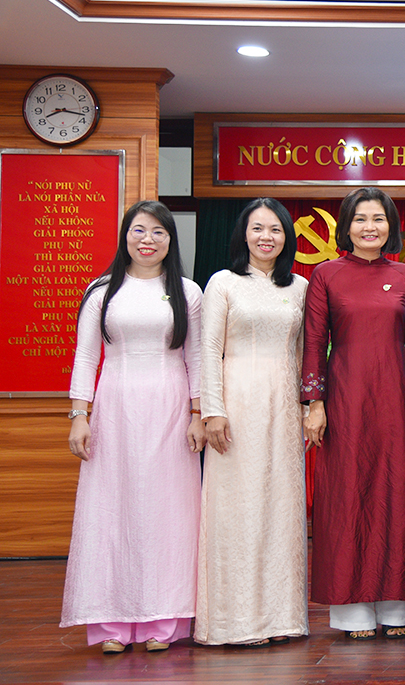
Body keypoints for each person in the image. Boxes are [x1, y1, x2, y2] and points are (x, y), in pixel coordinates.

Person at [62, 200, 204, 654]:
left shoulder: (187, 292)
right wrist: (79, 415)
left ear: (170, 241)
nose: (148, 239)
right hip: (114, 406)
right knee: (112, 509)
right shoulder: (103, 291)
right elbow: (86, 356)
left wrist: (199, 414)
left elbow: (197, 358)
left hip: (170, 405)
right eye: (139, 230)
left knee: (168, 511)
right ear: (125, 236)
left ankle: (165, 618)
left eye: (158, 232)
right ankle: (111, 623)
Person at [301, 187, 405, 641]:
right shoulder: (326, 275)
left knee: (396, 491)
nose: (370, 227)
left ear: (390, 226)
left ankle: (398, 607)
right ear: (346, 226)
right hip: (345, 398)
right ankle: (353, 610)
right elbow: (315, 342)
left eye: (378, 219)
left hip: (396, 398)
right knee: (347, 494)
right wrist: (314, 403)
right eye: (360, 219)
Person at [195, 198, 310, 647]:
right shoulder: (222, 282)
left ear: (287, 237)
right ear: (244, 233)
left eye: (276, 229)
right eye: (258, 228)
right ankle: (234, 621)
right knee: (236, 507)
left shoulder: (299, 286)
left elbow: (303, 352)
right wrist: (212, 409)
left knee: (281, 507)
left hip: (282, 403)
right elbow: (207, 349)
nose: (266, 237)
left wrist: (305, 406)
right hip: (236, 400)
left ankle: (282, 617)